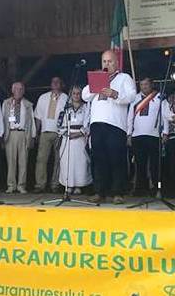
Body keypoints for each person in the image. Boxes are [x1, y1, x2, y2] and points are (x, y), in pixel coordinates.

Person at [82, 50, 137, 204]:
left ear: (116, 63)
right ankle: (100, 192)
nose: (107, 64)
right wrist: (95, 83)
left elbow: (132, 96)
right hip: (96, 123)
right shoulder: (98, 77)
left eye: (110, 61)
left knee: (116, 158)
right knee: (99, 158)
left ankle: (118, 192)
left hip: (115, 125)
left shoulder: (124, 78)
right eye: (104, 61)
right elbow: (85, 96)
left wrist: (115, 94)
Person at [127, 77, 166, 196]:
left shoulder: (159, 97)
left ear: (151, 85)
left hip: (154, 135)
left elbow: (165, 116)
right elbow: (130, 117)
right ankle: (140, 189)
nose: (144, 87)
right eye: (142, 84)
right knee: (139, 164)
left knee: (155, 164)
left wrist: (165, 132)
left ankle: (156, 188)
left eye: (146, 84)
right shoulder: (134, 98)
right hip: (137, 135)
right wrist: (129, 133)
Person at [34, 76, 68, 193]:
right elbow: (38, 117)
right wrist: (36, 132)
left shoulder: (66, 98)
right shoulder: (43, 97)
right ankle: (40, 184)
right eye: (53, 81)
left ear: (62, 84)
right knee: (41, 159)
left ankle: (55, 184)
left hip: (60, 133)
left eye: (58, 81)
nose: (55, 83)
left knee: (58, 160)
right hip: (45, 131)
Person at [2, 81, 36, 193]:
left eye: (21, 89)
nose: (19, 91)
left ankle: (21, 185)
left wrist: (33, 136)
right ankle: (11, 185)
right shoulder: (6, 103)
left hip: (23, 134)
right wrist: (1, 135)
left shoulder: (28, 104)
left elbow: (32, 121)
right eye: (16, 89)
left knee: (23, 161)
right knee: (11, 161)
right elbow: (2, 119)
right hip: (10, 133)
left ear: (24, 91)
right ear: (12, 90)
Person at [58, 86, 92, 194]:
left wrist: (79, 133)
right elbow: (59, 124)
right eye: (74, 93)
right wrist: (67, 133)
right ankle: (68, 185)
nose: (76, 96)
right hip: (67, 139)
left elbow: (88, 123)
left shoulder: (86, 107)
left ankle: (79, 185)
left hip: (81, 139)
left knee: (81, 162)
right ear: (70, 95)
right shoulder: (65, 108)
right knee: (67, 162)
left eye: (78, 93)